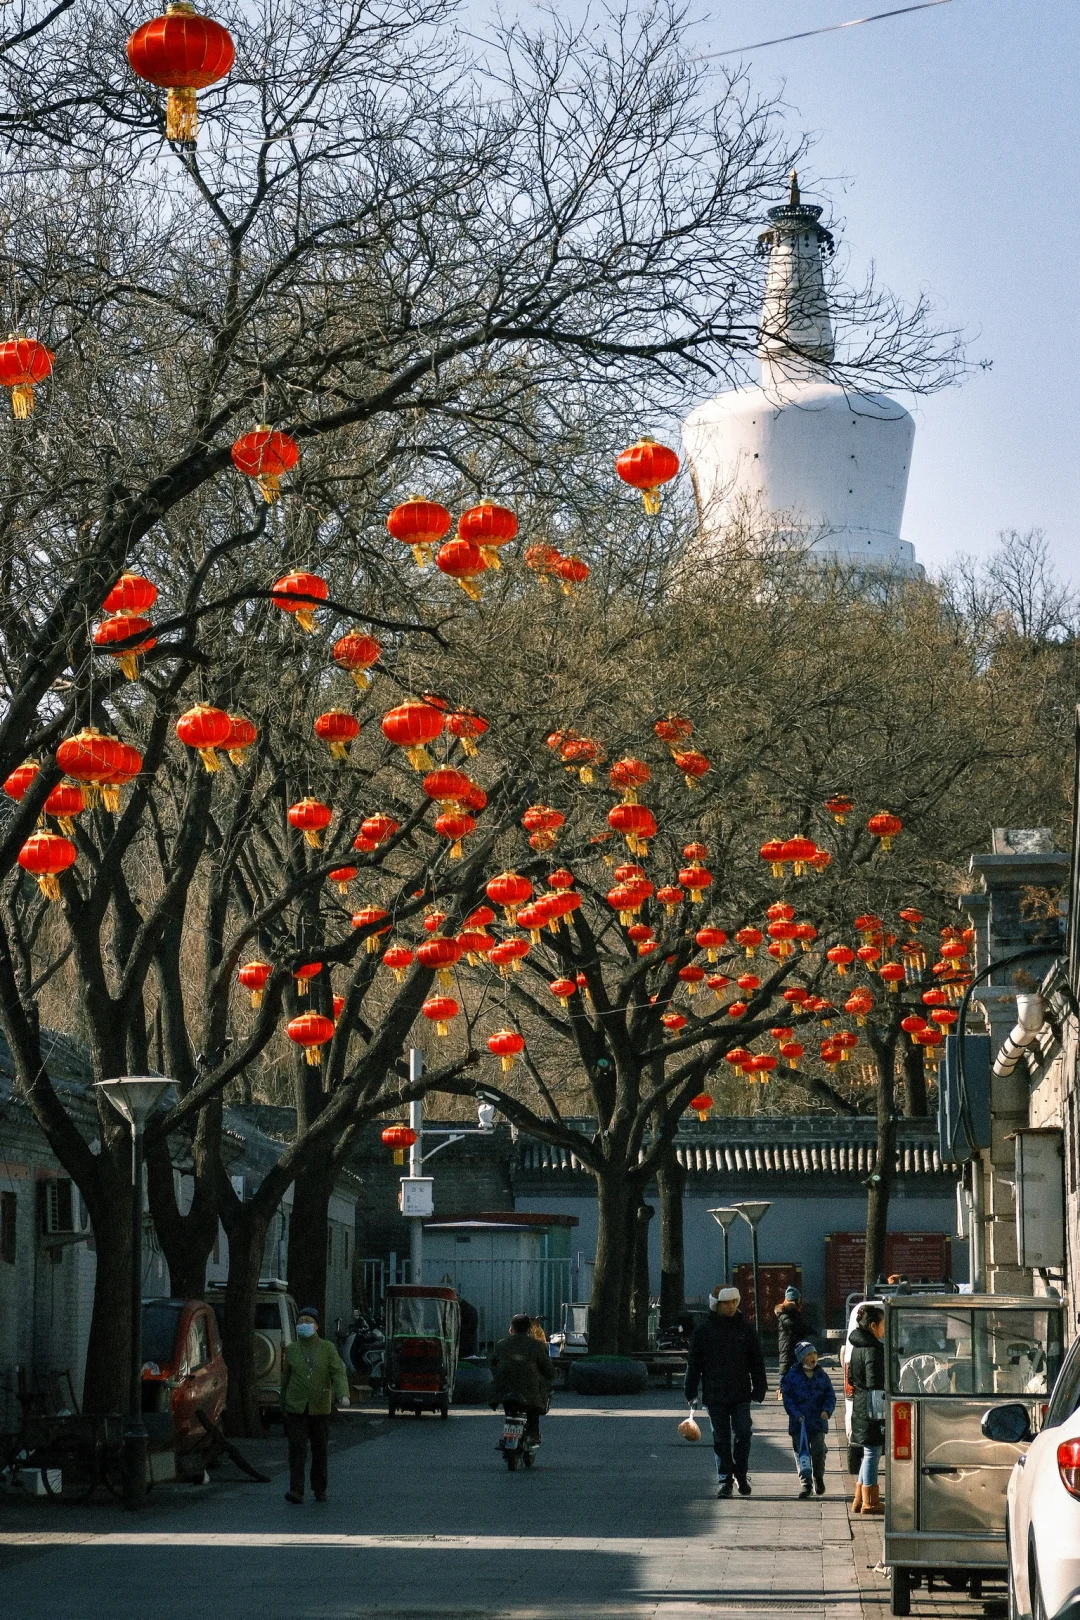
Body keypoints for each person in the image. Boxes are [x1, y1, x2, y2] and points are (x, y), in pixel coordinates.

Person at [684, 1284, 768, 1499]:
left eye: (734, 1302)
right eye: (726, 1303)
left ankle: (740, 1474)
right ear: (716, 1304)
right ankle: (725, 1481)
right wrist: (690, 1390)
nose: (731, 1307)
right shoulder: (703, 1331)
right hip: (715, 1395)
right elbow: (694, 1364)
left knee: (743, 1434)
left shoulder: (746, 1330)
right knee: (720, 1439)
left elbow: (756, 1362)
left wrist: (760, 1388)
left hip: (741, 1393)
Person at [281, 1306, 350, 1504]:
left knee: (320, 1449)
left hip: (319, 1406)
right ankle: (296, 1490)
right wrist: (282, 1403)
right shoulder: (292, 1349)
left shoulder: (328, 1348)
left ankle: (319, 1488)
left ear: (317, 1326)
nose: (304, 1325)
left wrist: (342, 1393)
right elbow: (285, 1378)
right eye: (301, 1322)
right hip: (296, 1406)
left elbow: (338, 1372)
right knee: (297, 1449)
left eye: (308, 1322)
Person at [780, 1340, 836, 1498]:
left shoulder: (822, 1375)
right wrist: (796, 1414)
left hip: (817, 1421)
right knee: (802, 1453)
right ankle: (806, 1484)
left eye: (815, 1354)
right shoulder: (792, 1376)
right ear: (801, 1358)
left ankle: (818, 1477)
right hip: (799, 1424)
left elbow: (830, 1395)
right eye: (809, 1354)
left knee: (818, 1451)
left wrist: (827, 1410)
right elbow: (788, 1399)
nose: (813, 1357)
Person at [490, 1312, 555, 1447]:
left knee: (509, 1409)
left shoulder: (501, 1345)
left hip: (504, 1391)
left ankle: (511, 1432)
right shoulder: (537, 1346)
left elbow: (494, 1365)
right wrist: (552, 1377)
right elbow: (547, 1370)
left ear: (511, 1328)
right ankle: (533, 1433)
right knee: (534, 1408)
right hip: (530, 1394)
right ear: (529, 1329)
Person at [848, 1302, 886, 1515]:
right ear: (873, 1326)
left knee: (868, 1451)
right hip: (873, 1405)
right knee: (873, 1451)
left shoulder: (857, 1347)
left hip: (861, 1404)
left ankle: (859, 1499)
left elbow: (852, 1378)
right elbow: (875, 1380)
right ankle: (870, 1502)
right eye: (883, 1324)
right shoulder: (872, 1349)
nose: (885, 1328)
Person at [775, 1285, 808, 1396]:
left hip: (793, 1345)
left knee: (794, 1367)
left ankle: (792, 1389)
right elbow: (792, 1325)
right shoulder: (784, 1314)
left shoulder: (793, 1313)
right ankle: (782, 1389)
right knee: (785, 1366)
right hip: (787, 1346)